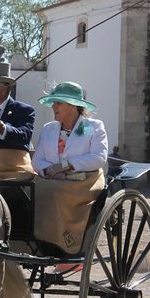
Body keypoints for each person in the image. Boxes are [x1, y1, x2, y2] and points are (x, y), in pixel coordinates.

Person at [32, 81, 108, 255]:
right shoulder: (48, 129)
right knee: (30, 192)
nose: (53, 106)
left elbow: (98, 158)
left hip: (84, 182)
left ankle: (66, 244)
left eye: (58, 102)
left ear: (73, 106)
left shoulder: (93, 127)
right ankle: (38, 241)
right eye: (53, 102)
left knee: (56, 193)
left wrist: (65, 166)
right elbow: (37, 160)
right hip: (51, 180)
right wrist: (50, 171)